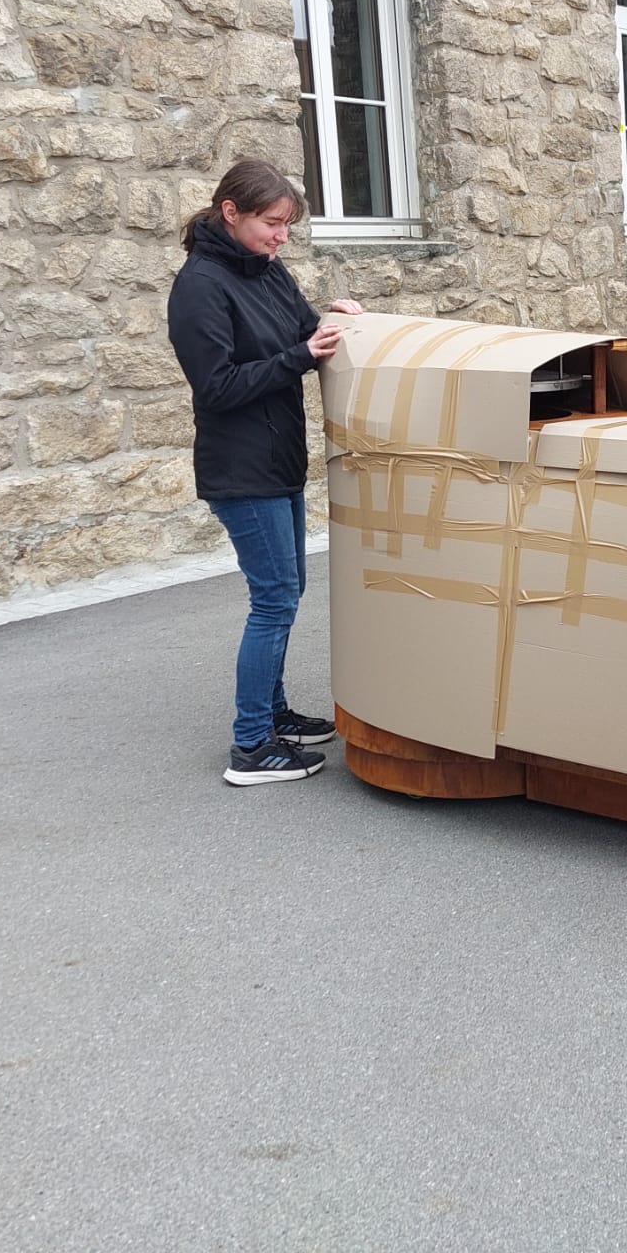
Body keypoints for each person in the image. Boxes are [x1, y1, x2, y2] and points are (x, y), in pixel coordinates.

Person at [167, 160, 364, 786]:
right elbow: (217, 386)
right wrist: (298, 356)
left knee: (287, 590)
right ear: (231, 212)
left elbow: (306, 333)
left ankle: (275, 715)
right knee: (274, 599)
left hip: (279, 460)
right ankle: (251, 745)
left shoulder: (267, 269)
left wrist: (337, 322)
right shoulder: (199, 286)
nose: (282, 236)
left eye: (287, 226)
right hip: (240, 469)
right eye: (272, 223)